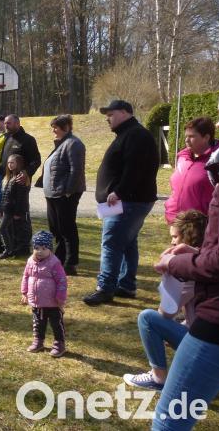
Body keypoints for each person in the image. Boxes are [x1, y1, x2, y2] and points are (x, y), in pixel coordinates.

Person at [151, 122, 219, 430]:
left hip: (216, 321)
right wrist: (197, 253)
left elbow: (218, 262)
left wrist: (176, 264)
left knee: (169, 422)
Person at [83, 100, 159, 306]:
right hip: (128, 201)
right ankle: (126, 285)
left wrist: (119, 191)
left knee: (111, 243)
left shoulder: (136, 135)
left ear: (125, 112)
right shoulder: (128, 134)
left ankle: (105, 288)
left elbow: (135, 168)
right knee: (127, 243)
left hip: (128, 201)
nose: (107, 119)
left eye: (111, 114)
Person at [123, 210, 207, 391]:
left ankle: (157, 378)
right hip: (212, 340)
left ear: (188, 237)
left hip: (206, 344)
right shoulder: (209, 261)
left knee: (147, 318)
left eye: (175, 237)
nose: (172, 242)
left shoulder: (188, 268)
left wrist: (168, 275)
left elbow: (167, 311)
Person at [40, 115, 86, 276]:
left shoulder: (74, 143)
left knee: (67, 229)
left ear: (65, 127)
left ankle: (70, 263)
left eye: (56, 127)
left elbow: (76, 170)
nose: (53, 130)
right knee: (56, 229)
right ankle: (58, 259)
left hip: (64, 195)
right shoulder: (62, 143)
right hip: (53, 194)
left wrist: (68, 191)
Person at [164, 117, 219, 224]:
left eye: (192, 136)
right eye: (186, 136)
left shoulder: (217, 161)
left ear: (206, 137)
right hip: (175, 221)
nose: (186, 140)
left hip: (200, 225)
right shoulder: (182, 157)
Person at [21, 231, 68, 357]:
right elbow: (26, 276)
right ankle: (38, 340)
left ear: (50, 249)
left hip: (53, 302)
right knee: (38, 323)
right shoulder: (30, 261)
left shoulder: (54, 263)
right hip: (37, 301)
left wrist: (60, 297)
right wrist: (24, 292)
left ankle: (59, 343)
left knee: (56, 323)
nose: (39, 251)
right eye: (36, 248)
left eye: (43, 248)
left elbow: (62, 280)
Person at [0, 154, 32, 259]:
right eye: (8, 162)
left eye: (12, 162)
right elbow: (4, 195)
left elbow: (21, 198)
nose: (10, 165)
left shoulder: (20, 178)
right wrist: (0, 208)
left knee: (2, 228)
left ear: (19, 164)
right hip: (7, 209)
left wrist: (18, 212)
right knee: (8, 230)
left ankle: (8, 250)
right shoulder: (9, 177)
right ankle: (11, 249)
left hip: (12, 210)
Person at [0, 114, 41, 186]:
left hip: (20, 182)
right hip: (6, 180)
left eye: (8, 123)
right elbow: (3, 160)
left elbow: (36, 160)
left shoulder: (28, 139)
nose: (6, 126)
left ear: (17, 124)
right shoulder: (7, 138)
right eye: (5, 123)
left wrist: (26, 172)